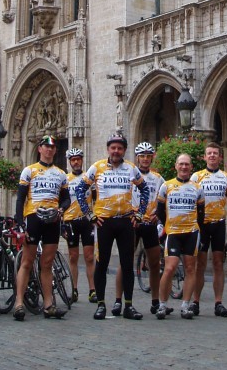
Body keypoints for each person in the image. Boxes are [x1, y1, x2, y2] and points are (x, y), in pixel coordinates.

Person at [75, 134, 148, 321]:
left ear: (124, 150)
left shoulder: (131, 168)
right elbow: (79, 189)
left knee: (127, 265)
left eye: (120, 148)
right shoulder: (97, 167)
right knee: (102, 264)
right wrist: (89, 214)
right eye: (113, 148)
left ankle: (129, 306)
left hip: (125, 221)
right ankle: (101, 305)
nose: (116, 151)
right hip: (104, 222)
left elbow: (145, 189)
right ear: (108, 149)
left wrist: (139, 214)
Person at [12, 135, 71, 321]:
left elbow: (67, 198)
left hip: (52, 220)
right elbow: (20, 198)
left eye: (52, 147)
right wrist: (19, 220)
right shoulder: (29, 171)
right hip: (34, 217)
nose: (49, 150)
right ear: (39, 149)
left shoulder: (61, 174)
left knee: (47, 264)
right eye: (46, 146)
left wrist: (61, 209)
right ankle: (19, 303)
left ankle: (48, 305)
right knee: (27, 262)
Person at [113, 143, 163, 317]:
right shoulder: (128, 174)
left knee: (155, 263)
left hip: (149, 223)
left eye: (148, 156)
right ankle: (119, 300)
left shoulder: (158, 178)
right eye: (142, 156)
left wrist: (159, 213)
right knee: (124, 263)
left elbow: (163, 198)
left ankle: (155, 302)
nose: (145, 159)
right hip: (131, 223)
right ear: (137, 158)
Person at [190, 142, 227, 317]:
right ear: (204, 157)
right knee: (200, 265)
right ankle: (196, 302)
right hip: (202, 225)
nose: (212, 156)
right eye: (209, 153)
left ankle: (218, 302)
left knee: (218, 264)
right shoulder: (196, 177)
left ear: (220, 157)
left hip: (219, 223)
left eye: (215, 153)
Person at [155, 153, 205, 320]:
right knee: (170, 268)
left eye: (187, 164)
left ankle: (185, 305)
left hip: (191, 232)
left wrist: (200, 234)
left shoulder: (197, 188)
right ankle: (162, 304)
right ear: (176, 166)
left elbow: (201, 213)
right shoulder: (166, 186)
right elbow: (160, 211)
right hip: (174, 233)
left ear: (191, 167)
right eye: (181, 164)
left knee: (191, 269)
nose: (184, 167)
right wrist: (165, 227)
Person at [62, 148, 96, 303]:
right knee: (73, 256)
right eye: (73, 159)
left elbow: (97, 198)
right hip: (71, 220)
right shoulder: (65, 180)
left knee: (89, 257)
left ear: (82, 160)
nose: (75, 162)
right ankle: (74, 289)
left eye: (78, 159)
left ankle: (92, 290)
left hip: (86, 221)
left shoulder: (88, 178)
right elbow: (61, 201)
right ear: (69, 162)